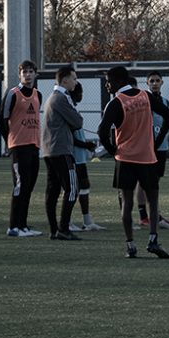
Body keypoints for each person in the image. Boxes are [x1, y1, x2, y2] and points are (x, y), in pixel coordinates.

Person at [98, 66, 169, 259]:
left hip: (125, 159)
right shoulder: (145, 96)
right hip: (147, 157)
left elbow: (102, 131)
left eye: (108, 81)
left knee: (127, 201)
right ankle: (153, 240)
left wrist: (113, 150)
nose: (107, 85)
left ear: (118, 81)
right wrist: (156, 142)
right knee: (153, 199)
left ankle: (130, 245)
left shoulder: (115, 103)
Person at [0, 60, 44, 237]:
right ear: (20, 75)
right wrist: (9, 142)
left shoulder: (38, 95)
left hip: (34, 146)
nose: (27, 74)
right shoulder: (13, 94)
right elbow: (2, 120)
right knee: (20, 185)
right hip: (18, 147)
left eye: (31, 71)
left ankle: (23, 225)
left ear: (35, 74)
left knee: (29, 187)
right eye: (24, 72)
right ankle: (13, 227)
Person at [41, 66, 84, 241]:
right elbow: (77, 121)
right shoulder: (60, 99)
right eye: (74, 78)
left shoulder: (52, 98)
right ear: (65, 80)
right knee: (72, 189)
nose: (76, 81)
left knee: (52, 190)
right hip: (61, 150)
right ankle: (63, 228)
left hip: (50, 150)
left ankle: (54, 229)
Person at [137, 71, 169, 230]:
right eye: (151, 81)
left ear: (162, 83)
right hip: (147, 147)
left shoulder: (166, 102)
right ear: (147, 83)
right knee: (144, 181)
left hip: (161, 147)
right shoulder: (143, 101)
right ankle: (145, 215)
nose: (154, 83)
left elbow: (168, 122)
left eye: (157, 80)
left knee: (155, 181)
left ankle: (154, 214)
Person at [68, 83, 104, 232]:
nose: (81, 96)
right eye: (79, 93)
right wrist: (85, 145)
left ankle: (87, 221)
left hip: (80, 156)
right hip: (73, 156)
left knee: (84, 186)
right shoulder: (67, 109)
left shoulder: (74, 108)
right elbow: (70, 137)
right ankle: (67, 221)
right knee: (72, 189)